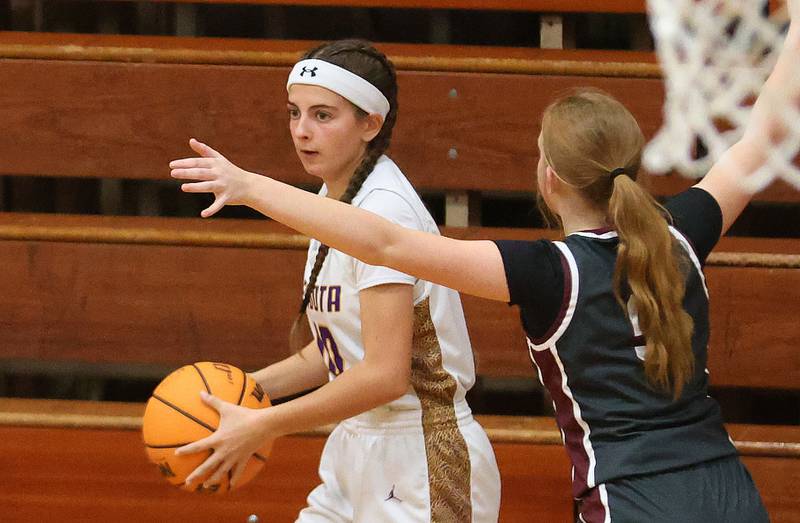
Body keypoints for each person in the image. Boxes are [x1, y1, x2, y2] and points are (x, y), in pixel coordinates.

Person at [171, 5, 799, 520]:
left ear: (549, 177)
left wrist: (250, 187)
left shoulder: (550, 274)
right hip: (728, 490)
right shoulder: (682, 232)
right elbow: (766, 130)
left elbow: (385, 244)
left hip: (630, 499)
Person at [172, 39, 501, 522]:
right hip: (354, 445)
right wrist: (242, 390)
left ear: (371, 124)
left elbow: (385, 374)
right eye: (294, 113)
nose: (302, 130)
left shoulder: (385, 209)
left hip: (420, 455)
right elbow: (339, 352)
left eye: (322, 115)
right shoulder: (334, 198)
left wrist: (265, 423)